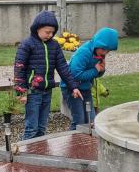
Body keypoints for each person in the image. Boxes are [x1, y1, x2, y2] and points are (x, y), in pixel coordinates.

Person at [13, 10, 82, 140]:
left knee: (42, 127)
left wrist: (73, 86)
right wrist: (21, 91)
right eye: (47, 32)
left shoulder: (54, 46)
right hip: (32, 92)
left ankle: (39, 150)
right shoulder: (27, 44)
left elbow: (63, 67)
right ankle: (26, 151)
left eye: (52, 32)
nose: (50, 35)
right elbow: (19, 68)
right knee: (32, 128)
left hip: (47, 91)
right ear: (37, 28)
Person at [60, 27, 119, 129]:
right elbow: (76, 75)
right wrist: (96, 70)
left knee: (91, 120)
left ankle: (88, 138)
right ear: (97, 44)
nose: (105, 53)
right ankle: (73, 138)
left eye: (108, 51)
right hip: (72, 89)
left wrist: (101, 70)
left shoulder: (98, 53)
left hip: (85, 88)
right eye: (103, 49)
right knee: (80, 121)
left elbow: (95, 75)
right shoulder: (83, 53)